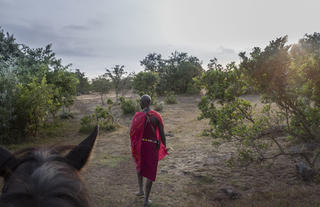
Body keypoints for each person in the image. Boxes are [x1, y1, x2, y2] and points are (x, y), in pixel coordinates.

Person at [130, 95, 168, 206]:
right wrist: (164, 147)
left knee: (139, 166)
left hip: (140, 146)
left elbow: (132, 132)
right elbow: (162, 135)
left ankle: (141, 190)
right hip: (152, 147)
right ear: (150, 102)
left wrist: (134, 145)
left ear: (142, 103)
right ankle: (146, 200)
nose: (140, 103)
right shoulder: (156, 116)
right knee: (150, 173)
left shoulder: (137, 116)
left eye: (140, 102)